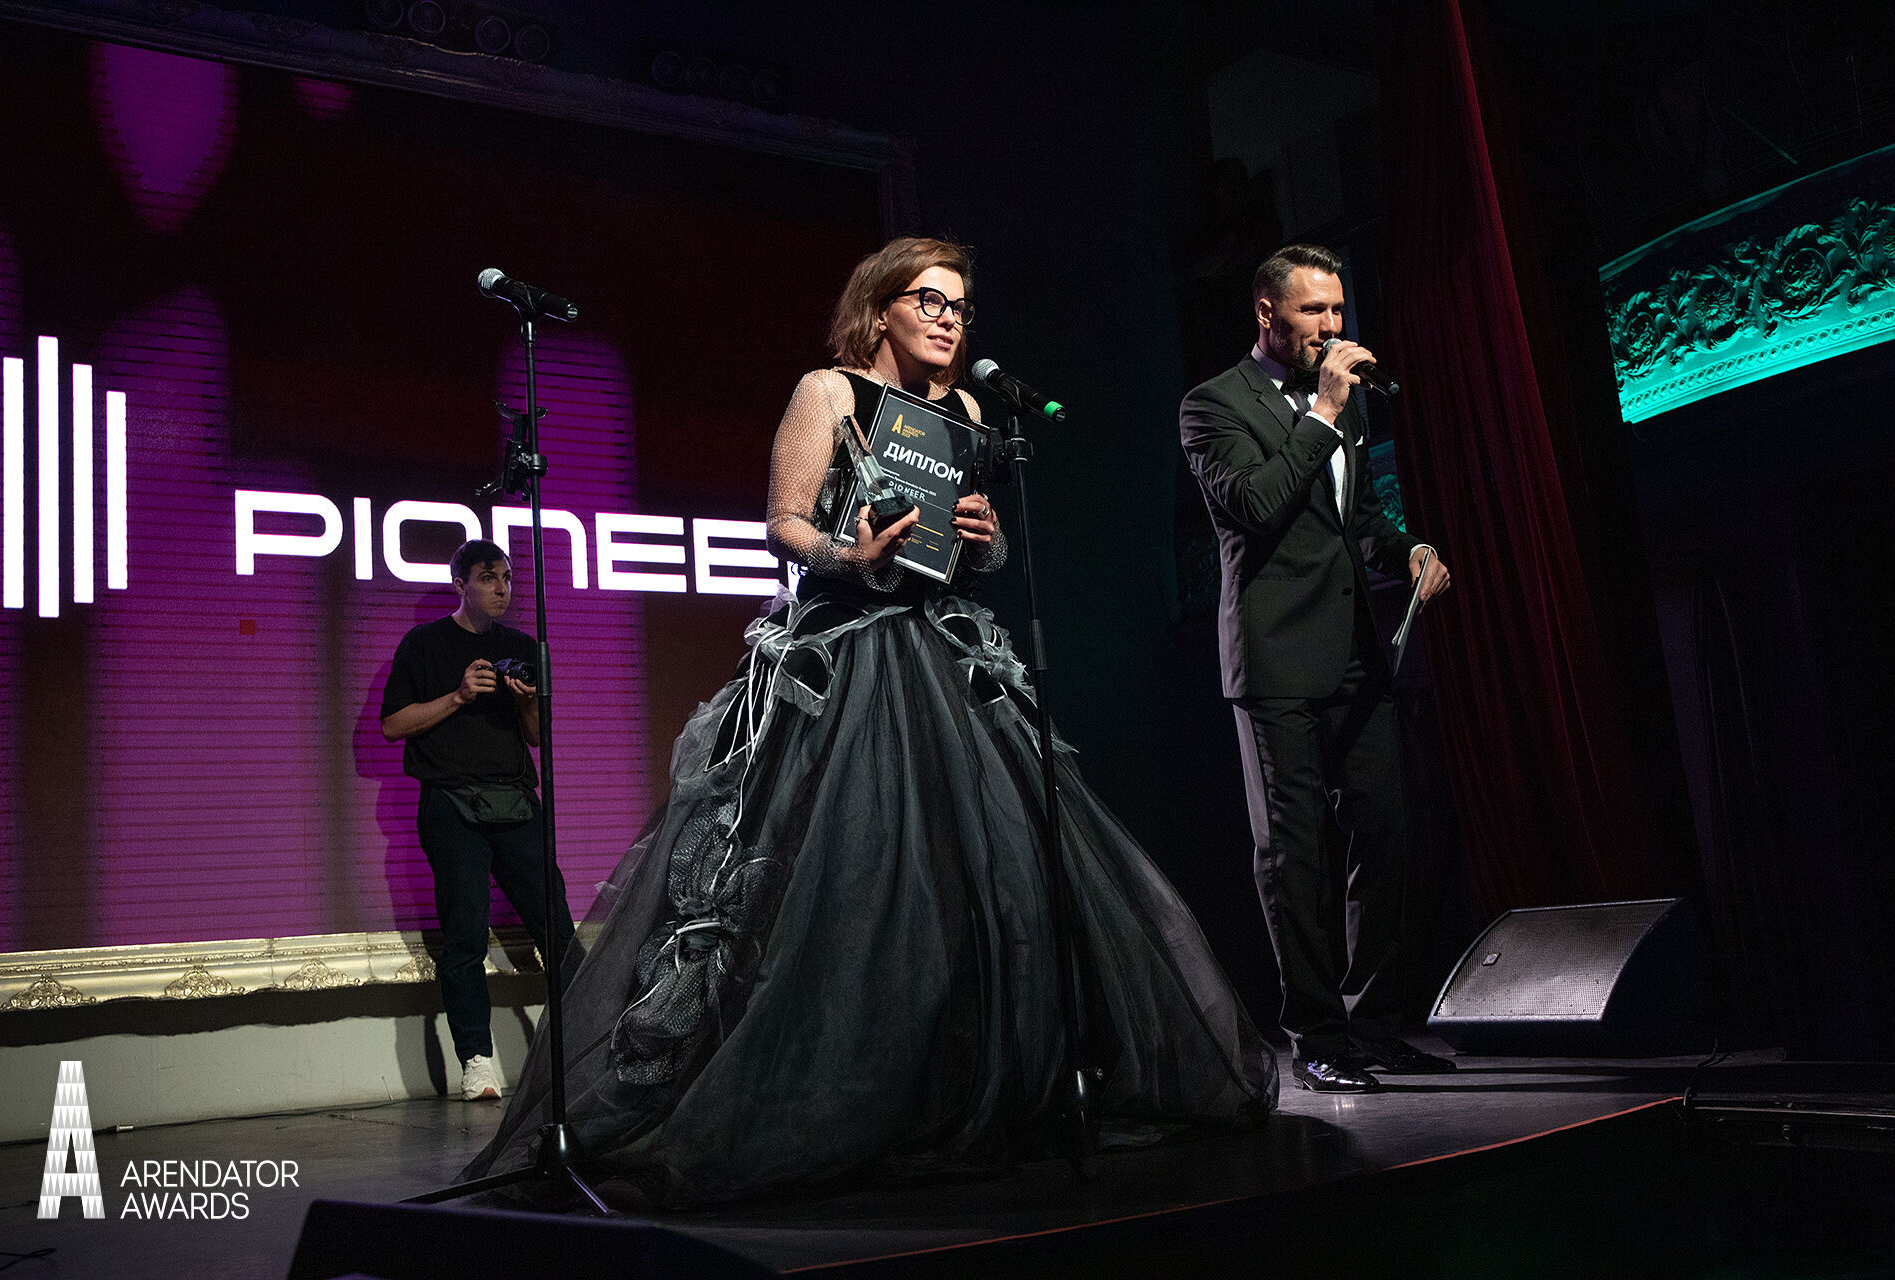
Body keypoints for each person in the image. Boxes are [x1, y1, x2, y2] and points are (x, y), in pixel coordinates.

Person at [463, 236, 1277, 1206]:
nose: (949, 319)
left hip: (944, 649)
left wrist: (986, 536)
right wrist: (847, 554)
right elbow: (785, 523)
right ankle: (823, 1092)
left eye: (961, 306)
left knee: (989, 878)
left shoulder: (968, 410)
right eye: (929, 300)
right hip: (844, 655)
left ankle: (964, 1083)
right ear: (879, 307)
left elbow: (974, 551)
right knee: (839, 878)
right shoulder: (830, 391)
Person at [1179, 244, 1454, 1094]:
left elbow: (1357, 515)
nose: (1332, 328)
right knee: (1294, 852)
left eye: (1338, 310)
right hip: (1274, 659)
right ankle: (1317, 1035)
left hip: (1355, 652)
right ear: (1268, 312)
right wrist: (1325, 411)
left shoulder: (1344, 406)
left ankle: (1374, 1024)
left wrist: (1408, 549)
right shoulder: (1212, 404)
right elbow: (1256, 506)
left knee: (1387, 835)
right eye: (1313, 312)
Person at [380, 539, 576, 1101]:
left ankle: (581, 1047)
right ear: (460, 585)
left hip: (514, 801)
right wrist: (460, 695)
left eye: (507, 578)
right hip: (450, 804)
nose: (502, 589)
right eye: (489, 578)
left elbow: (536, 737)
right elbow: (392, 725)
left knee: (557, 931)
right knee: (464, 938)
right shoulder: (424, 643)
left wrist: (526, 701)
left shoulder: (522, 646)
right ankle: (477, 1062)